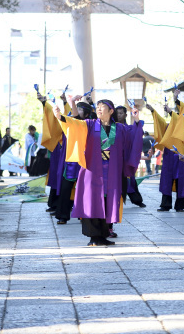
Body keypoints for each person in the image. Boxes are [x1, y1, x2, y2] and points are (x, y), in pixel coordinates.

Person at [54, 98, 143, 247]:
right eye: (97, 107)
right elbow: (75, 124)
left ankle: (103, 235)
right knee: (92, 201)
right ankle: (93, 237)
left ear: (111, 111)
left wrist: (136, 120)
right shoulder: (89, 125)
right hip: (92, 170)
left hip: (112, 171)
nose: (99, 109)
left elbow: (133, 137)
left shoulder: (120, 128)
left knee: (107, 202)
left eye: (102, 107)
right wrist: (60, 116)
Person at [114, 106, 146, 208]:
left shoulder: (129, 128)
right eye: (117, 113)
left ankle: (137, 200)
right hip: (114, 159)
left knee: (129, 180)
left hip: (125, 159)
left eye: (121, 113)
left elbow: (137, 133)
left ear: (125, 115)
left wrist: (137, 120)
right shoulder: (111, 127)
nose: (119, 115)